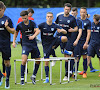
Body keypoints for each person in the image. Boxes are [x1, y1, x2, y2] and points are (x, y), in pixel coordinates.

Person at [38, 12, 68, 83]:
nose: (49, 18)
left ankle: (63, 49)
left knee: (64, 38)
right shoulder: (42, 25)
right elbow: (35, 29)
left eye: (50, 16)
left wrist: (62, 30)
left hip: (53, 40)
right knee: (46, 62)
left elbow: (65, 32)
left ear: (52, 18)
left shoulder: (55, 25)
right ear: (46, 17)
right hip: (46, 44)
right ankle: (47, 78)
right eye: (48, 16)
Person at [12, 10, 40, 85]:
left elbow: (38, 30)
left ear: (27, 16)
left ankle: (33, 76)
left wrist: (33, 36)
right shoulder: (19, 25)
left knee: (38, 60)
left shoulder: (32, 23)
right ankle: (22, 79)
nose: (23, 19)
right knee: (24, 60)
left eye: (24, 18)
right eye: (22, 18)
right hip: (25, 44)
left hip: (33, 44)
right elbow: (15, 32)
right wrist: (14, 41)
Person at [55, 3, 78, 81]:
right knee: (52, 48)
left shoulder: (72, 19)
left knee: (66, 56)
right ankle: (54, 58)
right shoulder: (59, 16)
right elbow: (55, 24)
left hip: (69, 39)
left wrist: (72, 30)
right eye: (65, 9)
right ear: (63, 9)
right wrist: (57, 29)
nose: (66, 10)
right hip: (60, 38)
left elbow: (76, 28)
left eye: (68, 9)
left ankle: (67, 74)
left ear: (70, 10)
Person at [0, 1, 15, 89]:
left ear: (3, 10)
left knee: (7, 63)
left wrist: (7, 27)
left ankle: (7, 80)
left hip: (5, 44)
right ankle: (0, 75)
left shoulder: (7, 19)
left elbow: (13, 31)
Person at [17, 8, 34, 74]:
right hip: (25, 39)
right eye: (31, 14)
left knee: (25, 54)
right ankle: (25, 68)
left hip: (26, 38)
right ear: (29, 13)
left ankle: (25, 69)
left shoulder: (31, 20)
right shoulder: (30, 19)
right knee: (25, 54)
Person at [75, 7, 91, 78]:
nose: (83, 13)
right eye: (82, 12)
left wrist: (86, 42)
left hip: (84, 42)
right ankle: (75, 72)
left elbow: (88, 33)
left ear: (86, 13)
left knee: (85, 57)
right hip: (77, 42)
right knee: (77, 57)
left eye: (84, 12)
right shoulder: (77, 20)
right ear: (79, 13)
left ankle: (84, 72)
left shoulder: (88, 22)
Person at [70, 7, 82, 74]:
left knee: (76, 56)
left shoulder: (79, 21)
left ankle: (75, 71)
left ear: (77, 13)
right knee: (71, 56)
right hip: (70, 41)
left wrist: (77, 40)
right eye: (72, 13)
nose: (73, 14)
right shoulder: (69, 20)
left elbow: (80, 32)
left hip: (76, 41)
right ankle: (70, 71)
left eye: (74, 13)